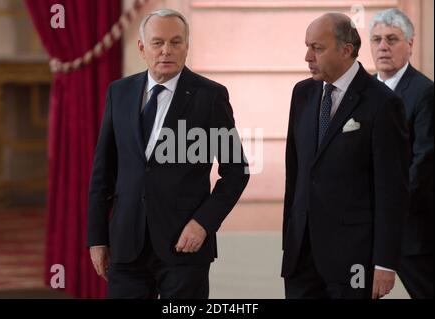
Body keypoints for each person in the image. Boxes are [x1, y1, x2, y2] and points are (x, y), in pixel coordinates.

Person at [87, 8, 249, 299]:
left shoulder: (210, 97)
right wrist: (97, 238)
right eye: (157, 42)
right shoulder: (119, 93)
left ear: (186, 46)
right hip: (126, 244)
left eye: (176, 42)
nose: (166, 50)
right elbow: (103, 172)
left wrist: (203, 223)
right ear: (141, 48)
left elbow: (236, 172)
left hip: (184, 246)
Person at [281, 13, 410, 299]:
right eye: (307, 46)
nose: (307, 57)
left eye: (317, 47)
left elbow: (392, 191)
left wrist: (385, 262)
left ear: (346, 49)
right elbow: (296, 173)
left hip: (354, 258)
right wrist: (288, 242)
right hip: (301, 256)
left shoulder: (384, 103)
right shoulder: (302, 94)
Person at [370, 8, 434, 299]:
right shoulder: (363, 92)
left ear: (410, 44)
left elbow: (423, 163)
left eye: (392, 39)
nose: (383, 46)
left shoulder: (425, 93)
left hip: (411, 229)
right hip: (364, 226)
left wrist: (388, 209)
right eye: (377, 39)